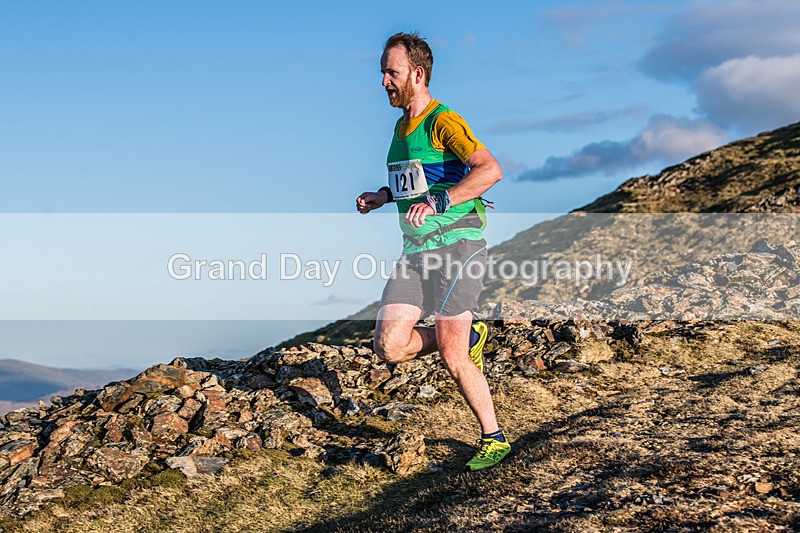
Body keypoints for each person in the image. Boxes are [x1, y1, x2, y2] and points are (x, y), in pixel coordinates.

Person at [355, 32, 509, 471]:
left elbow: (489, 170)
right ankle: (469, 334)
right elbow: (416, 182)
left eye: (391, 72)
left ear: (417, 74)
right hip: (415, 251)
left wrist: (441, 202)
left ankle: (494, 438)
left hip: (457, 247)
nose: (384, 80)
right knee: (390, 346)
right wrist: (384, 196)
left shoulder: (445, 121)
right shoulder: (400, 127)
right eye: (382, 72)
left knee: (452, 356)